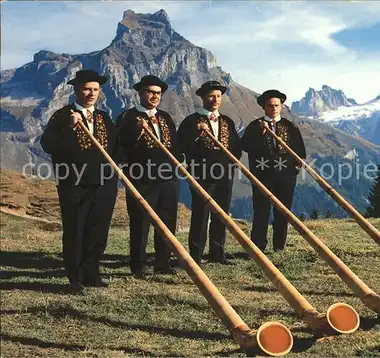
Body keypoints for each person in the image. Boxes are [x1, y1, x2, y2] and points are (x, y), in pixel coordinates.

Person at [40, 69, 120, 292]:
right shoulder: (62, 116)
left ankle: (92, 273)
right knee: (76, 228)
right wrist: (70, 127)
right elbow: (47, 144)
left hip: (104, 183)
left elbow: (116, 147)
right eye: (86, 89)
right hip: (74, 183)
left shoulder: (104, 118)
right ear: (76, 89)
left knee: (98, 228)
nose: (91, 93)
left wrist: (118, 167)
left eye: (95, 89)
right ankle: (75, 278)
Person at [116, 75, 181, 278]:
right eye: (150, 92)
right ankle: (139, 266)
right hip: (141, 178)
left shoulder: (165, 118)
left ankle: (162, 263)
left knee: (167, 221)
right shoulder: (127, 117)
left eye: (158, 93)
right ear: (140, 93)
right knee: (140, 222)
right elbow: (118, 148)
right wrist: (137, 133)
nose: (154, 96)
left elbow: (174, 145)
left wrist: (178, 162)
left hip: (168, 178)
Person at [177, 81, 242, 264]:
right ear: (203, 98)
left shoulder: (226, 121)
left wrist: (231, 165)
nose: (215, 100)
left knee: (221, 215)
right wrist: (196, 135)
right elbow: (180, 146)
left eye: (219, 96)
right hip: (201, 176)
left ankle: (217, 254)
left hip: (224, 176)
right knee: (200, 216)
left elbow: (236, 147)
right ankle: (195, 256)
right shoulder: (191, 121)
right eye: (211, 96)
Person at [241, 89, 306, 252]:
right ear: (264, 107)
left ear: (282, 106)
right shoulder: (254, 126)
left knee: (283, 212)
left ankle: (279, 247)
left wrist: (294, 171)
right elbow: (245, 146)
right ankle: (257, 247)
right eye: (270, 105)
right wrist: (260, 134)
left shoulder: (290, 126)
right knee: (261, 212)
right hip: (262, 176)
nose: (274, 108)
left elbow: (300, 151)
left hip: (286, 177)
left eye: (277, 105)